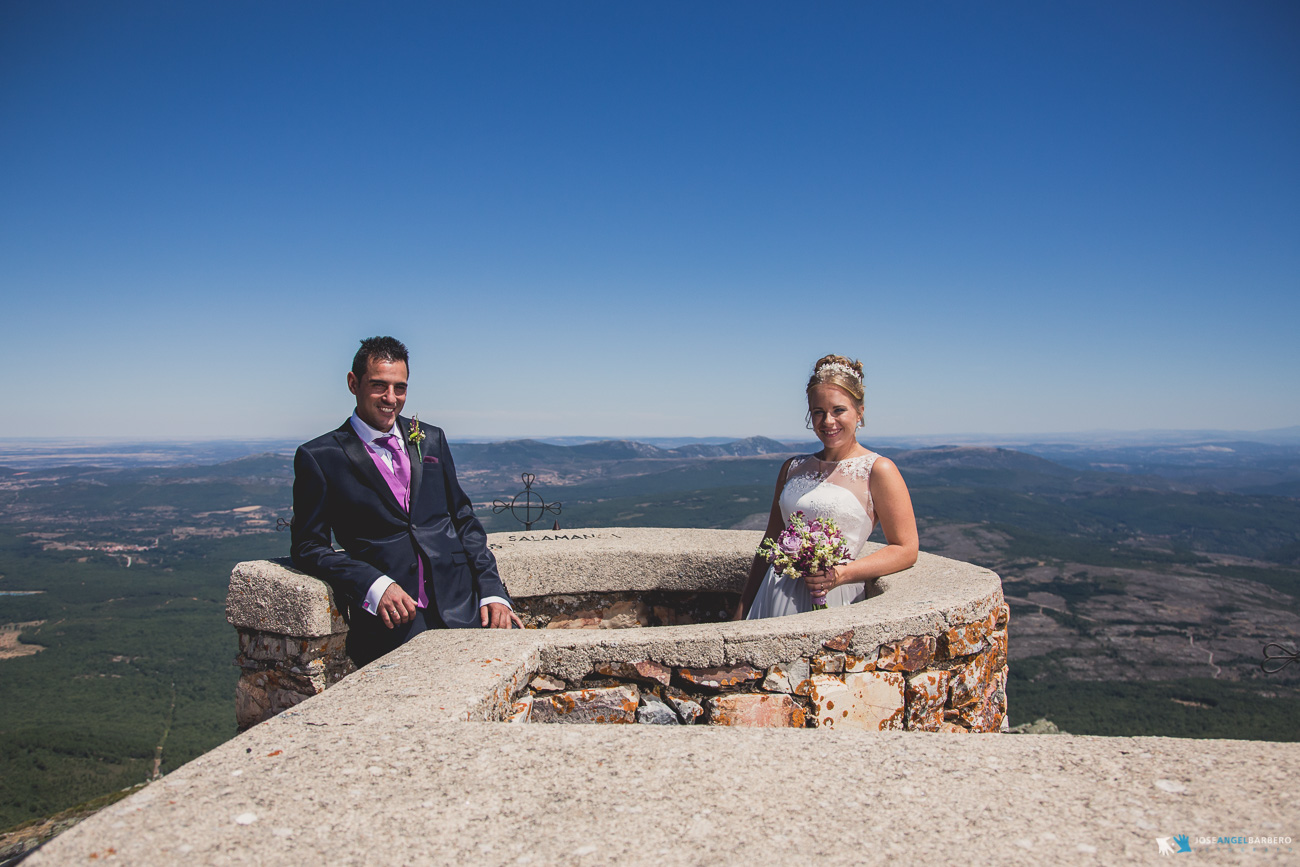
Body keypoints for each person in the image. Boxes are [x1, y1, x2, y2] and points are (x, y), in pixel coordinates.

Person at [291, 336, 520, 667]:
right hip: (392, 624)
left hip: (466, 608)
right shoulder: (320, 457)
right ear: (353, 383)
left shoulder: (430, 438)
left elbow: (463, 520)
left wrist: (492, 591)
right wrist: (372, 583)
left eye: (400, 388)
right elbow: (308, 547)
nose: (391, 398)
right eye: (379, 386)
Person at [734, 354, 919, 619]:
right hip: (773, 594)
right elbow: (771, 541)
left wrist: (841, 574)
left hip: (834, 597)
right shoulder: (792, 468)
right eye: (818, 412)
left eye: (838, 410)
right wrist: (745, 605)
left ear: (860, 411)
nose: (827, 422)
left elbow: (905, 549)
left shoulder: (878, 470)